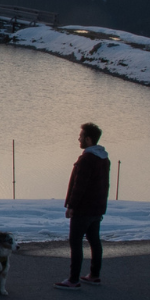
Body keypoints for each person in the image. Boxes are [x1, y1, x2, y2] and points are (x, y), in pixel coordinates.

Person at [56, 122, 109, 289]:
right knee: (94, 241)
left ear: (88, 139)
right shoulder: (104, 158)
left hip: (83, 209)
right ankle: (94, 275)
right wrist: (102, 208)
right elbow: (105, 185)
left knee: (76, 242)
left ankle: (73, 280)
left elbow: (80, 185)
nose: (78, 138)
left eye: (81, 136)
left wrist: (71, 205)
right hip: (96, 208)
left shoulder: (87, 159)